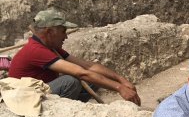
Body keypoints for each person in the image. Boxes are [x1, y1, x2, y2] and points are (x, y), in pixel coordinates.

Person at [9, 9, 140, 105]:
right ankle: (61, 113)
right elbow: (81, 73)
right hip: (24, 97)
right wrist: (119, 88)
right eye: (63, 31)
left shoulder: (52, 48)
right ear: (49, 32)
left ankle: (75, 107)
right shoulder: (36, 50)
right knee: (70, 81)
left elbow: (88, 66)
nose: (66, 36)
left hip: (41, 91)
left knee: (93, 80)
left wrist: (121, 80)